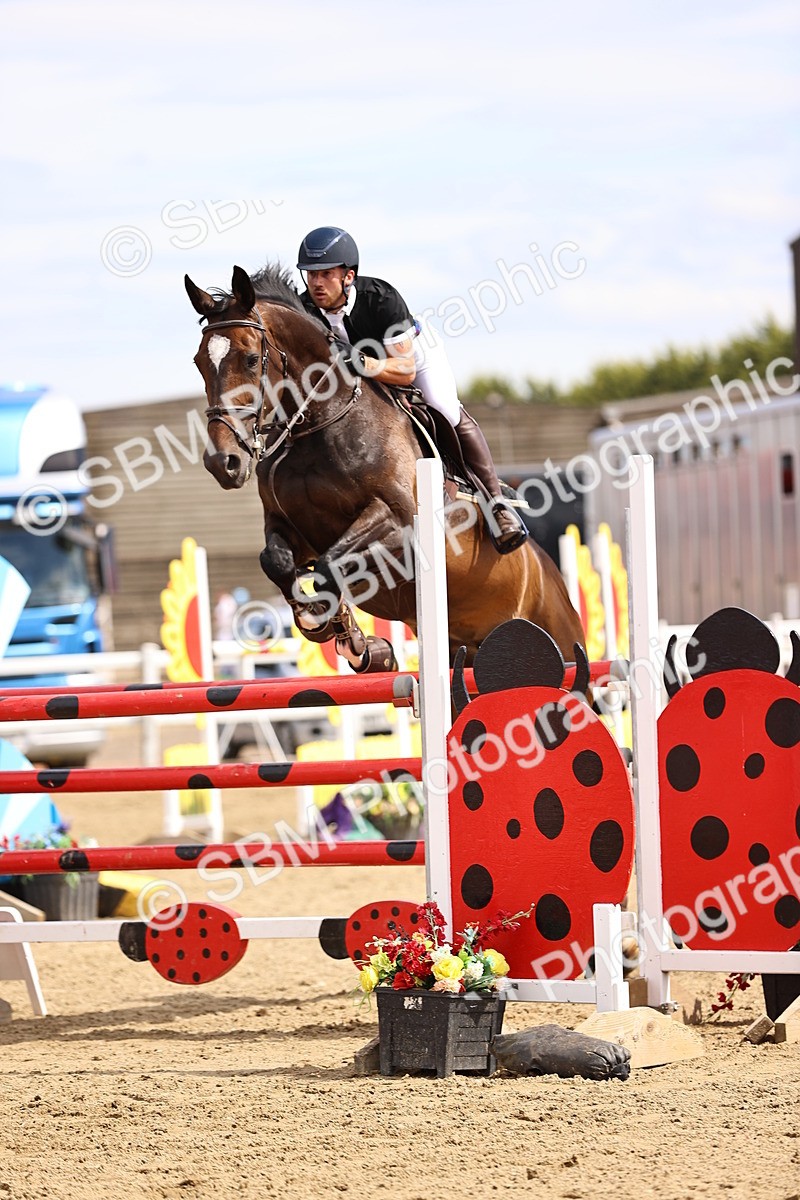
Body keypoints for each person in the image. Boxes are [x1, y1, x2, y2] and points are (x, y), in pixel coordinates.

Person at [296, 226, 528, 554]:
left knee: (444, 407)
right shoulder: (305, 308)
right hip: (360, 375)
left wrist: (360, 363)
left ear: (348, 276)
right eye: (311, 275)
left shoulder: (381, 299)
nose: (316, 283)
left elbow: (404, 372)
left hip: (413, 359)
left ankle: (498, 505)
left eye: (326, 274)